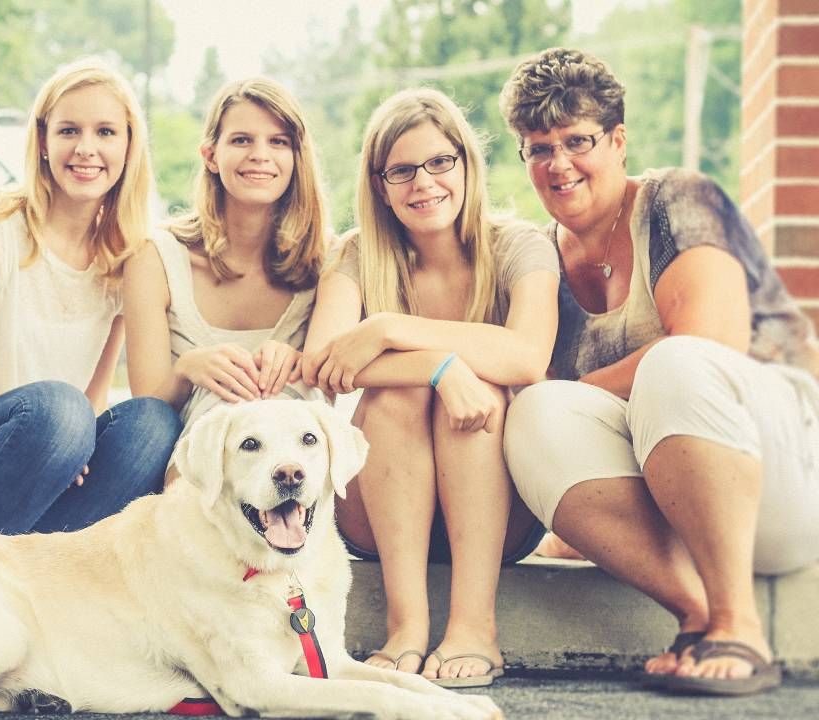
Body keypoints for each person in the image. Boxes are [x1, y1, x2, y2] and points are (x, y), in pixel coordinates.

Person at [499, 47, 819, 696]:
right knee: (532, 410)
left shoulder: (676, 199)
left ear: (618, 140)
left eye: (578, 140)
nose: (559, 164)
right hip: (668, 514)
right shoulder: (539, 263)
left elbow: (715, 339)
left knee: (675, 361)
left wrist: (580, 392)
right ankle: (699, 614)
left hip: (782, 478)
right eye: (539, 148)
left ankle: (740, 624)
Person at [300, 88, 558, 687]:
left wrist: (390, 329)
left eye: (440, 162)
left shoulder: (519, 246)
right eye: (402, 170)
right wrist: (436, 367)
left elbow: (526, 358)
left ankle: (474, 628)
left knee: (481, 397)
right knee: (399, 396)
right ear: (380, 184)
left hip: (499, 510)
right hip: (378, 507)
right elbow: (322, 361)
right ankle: (406, 627)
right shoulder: (358, 255)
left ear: (467, 164)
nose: (424, 183)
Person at [0, 59, 180, 543]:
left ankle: (43, 579)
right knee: (60, 412)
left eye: (105, 132)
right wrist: (56, 431)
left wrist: (69, 443)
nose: (86, 148)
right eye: (68, 130)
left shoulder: (122, 255)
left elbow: (93, 397)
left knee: (151, 424)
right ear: (42, 141)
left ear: (129, 146)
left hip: (43, 469)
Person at [123, 77, 328, 453]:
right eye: (241, 140)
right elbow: (145, 416)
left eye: (278, 142)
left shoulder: (327, 261)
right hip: (191, 466)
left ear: (297, 158)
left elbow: (339, 378)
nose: (259, 154)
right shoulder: (154, 257)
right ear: (211, 156)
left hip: (293, 468)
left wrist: (300, 362)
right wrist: (187, 369)